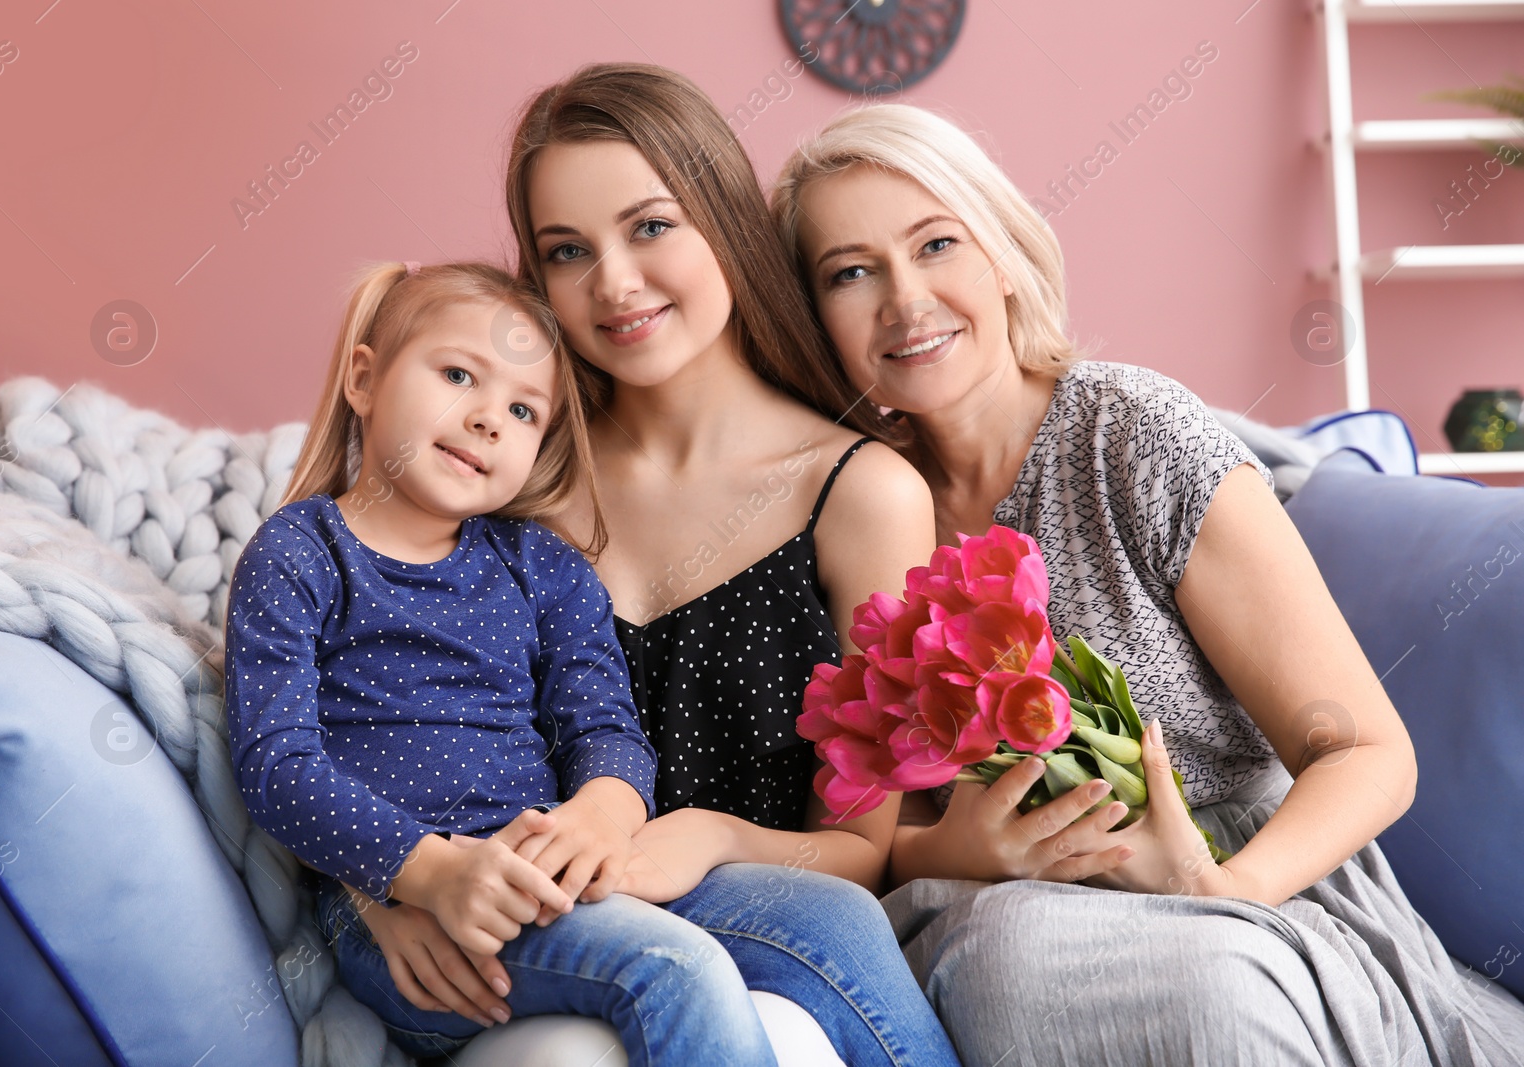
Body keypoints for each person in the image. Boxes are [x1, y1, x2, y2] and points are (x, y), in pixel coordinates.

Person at [770, 102, 1524, 1065]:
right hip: (991, 920)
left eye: (936, 244)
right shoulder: (860, 506)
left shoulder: (1132, 436)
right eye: (850, 272)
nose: (905, 298)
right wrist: (951, 852)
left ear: (1001, 256)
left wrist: (1224, 891)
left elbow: (1370, 751)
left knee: (1148, 984)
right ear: (816, 319)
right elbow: (872, 830)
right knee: (1008, 956)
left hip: (1245, 888)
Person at [349, 64, 964, 1066]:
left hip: (767, 956)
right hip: (535, 949)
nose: (616, 284)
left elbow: (861, 849)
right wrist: (384, 887)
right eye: (567, 251)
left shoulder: (862, 495)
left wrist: (713, 836)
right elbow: (349, 697)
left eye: (649, 226)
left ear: (721, 216)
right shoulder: (505, 480)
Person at [224, 259, 785, 1064]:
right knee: (675, 969)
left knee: (837, 918)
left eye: (524, 409)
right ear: (364, 378)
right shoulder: (301, 552)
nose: (490, 418)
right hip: (407, 916)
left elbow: (607, 726)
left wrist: (599, 811)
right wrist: (425, 873)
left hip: (547, 875)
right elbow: (277, 764)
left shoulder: (541, 565)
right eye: (458, 374)